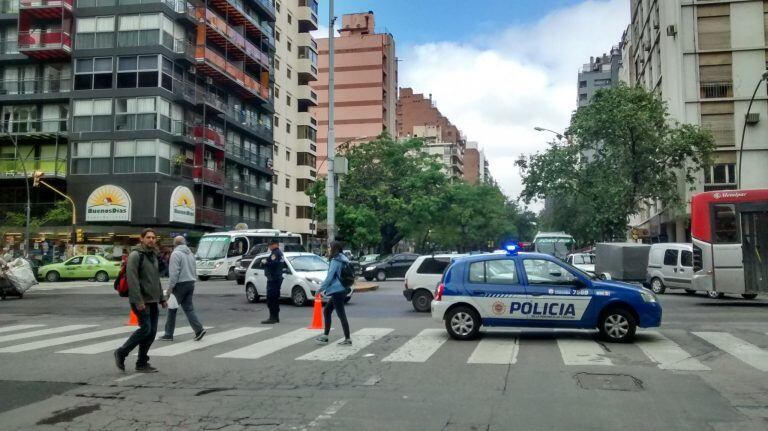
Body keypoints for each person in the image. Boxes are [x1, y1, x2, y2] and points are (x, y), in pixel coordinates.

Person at [114, 228, 167, 373]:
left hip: (153, 299)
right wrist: (138, 301)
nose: (151, 240)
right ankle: (121, 352)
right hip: (140, 300)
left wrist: (162, 298)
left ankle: (142, 362)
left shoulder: (153, 255)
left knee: (152, 331)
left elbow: (156, 279)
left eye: (153, 237)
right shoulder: (136, 255)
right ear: (141, 239)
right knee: (146, 329)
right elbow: (133, 279)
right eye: (148, 237)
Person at [160, 236, 206, 341]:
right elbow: (194, 268)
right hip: (190, 282)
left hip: (179, 284)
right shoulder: (190, 253)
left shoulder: (175, 254)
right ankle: (199, 330)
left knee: (171, 309)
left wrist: (170, 288)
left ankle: (168, 334)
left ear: (175, 244)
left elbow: (174, 273)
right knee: (189, 308)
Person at [315, 241, 352, 346]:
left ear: (333, 248)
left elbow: (329, 277)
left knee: (341, 315)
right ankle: (325, 336)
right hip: (342, 289)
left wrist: (320, 289)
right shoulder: (343, 258)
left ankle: (348, 338)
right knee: (327, 311)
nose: (328, 249)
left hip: (337, 290)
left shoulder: (335, 261)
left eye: (329, 247)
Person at [261, 238, 285, 324]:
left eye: (271, 245)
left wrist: (265, 263)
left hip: (273, 279)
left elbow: (274, 264)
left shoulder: (275, 253)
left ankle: (272, 317)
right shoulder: (279, 253)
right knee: (275, 298)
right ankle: (276, 317)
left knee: (271, 298)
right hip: (277, 278)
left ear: (275, 244)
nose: (269, 246)